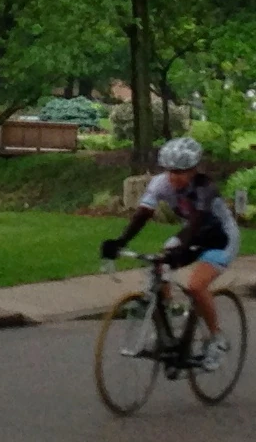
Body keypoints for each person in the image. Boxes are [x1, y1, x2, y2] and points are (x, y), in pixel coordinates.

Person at [103, 136, 240, 357]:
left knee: (196, 285)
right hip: (192, 234)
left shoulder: (205, 188)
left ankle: (217, 337)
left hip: (220, 238)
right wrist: (120, 241)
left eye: (180, 172)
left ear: (193, 170)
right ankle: (167, 322)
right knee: (159, 265)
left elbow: (198, 221)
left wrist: (181, 249)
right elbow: (142, 215)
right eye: (169, 170)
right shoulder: (160, 183)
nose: (173, 177)